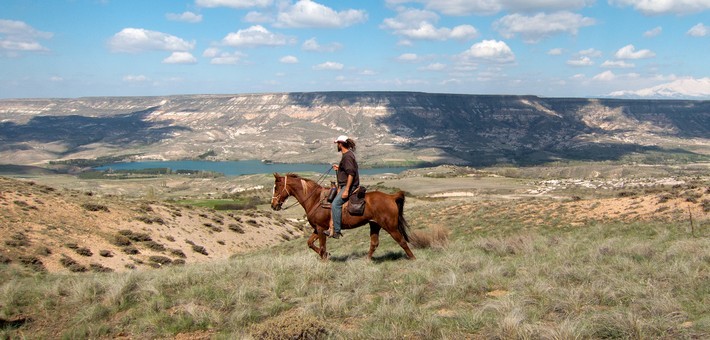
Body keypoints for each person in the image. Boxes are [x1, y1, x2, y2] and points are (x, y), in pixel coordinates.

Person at [325, 135, 359, 239]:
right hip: (345, 185)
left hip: (350, 186)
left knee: (335, 204)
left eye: (337, 144)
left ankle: (337, 230)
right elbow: (347, 169)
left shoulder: (347, 156)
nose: (337, 146)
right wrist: (339, 168)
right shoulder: (347, 155)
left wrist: (347, 190)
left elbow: (351, 174)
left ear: (341, 144)